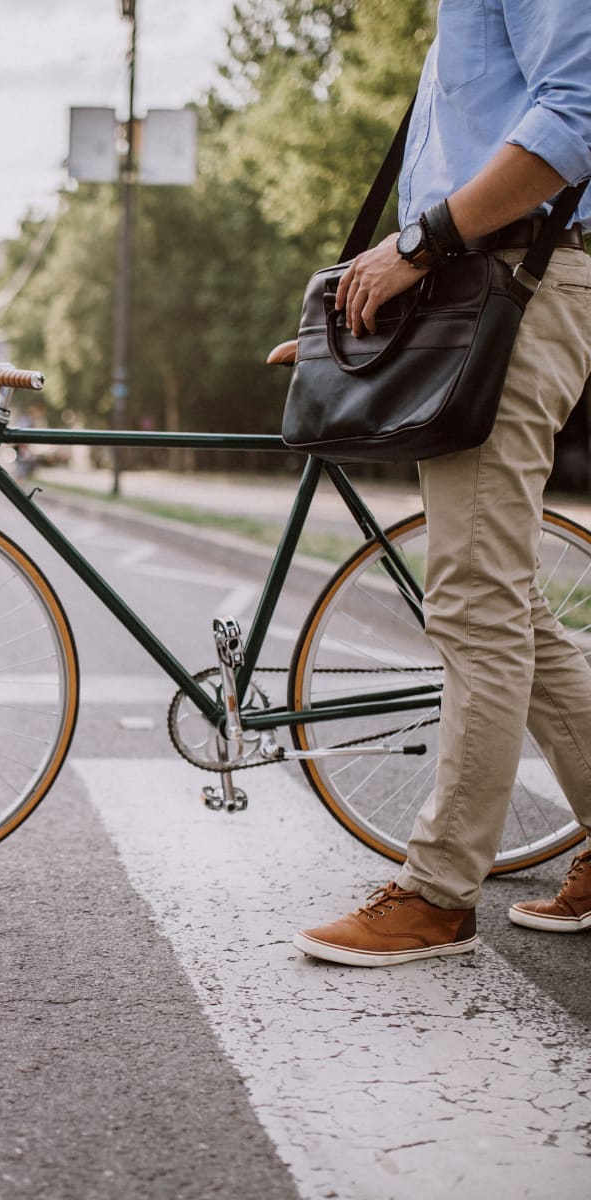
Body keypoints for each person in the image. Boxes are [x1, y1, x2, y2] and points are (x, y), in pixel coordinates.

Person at [293, 0, 591, 967]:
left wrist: (413, 247)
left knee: (472, 600)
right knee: (507, 605)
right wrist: (353, 320)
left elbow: (577, 115)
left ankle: (439, 892)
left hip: (518, 286)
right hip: (480, 288)